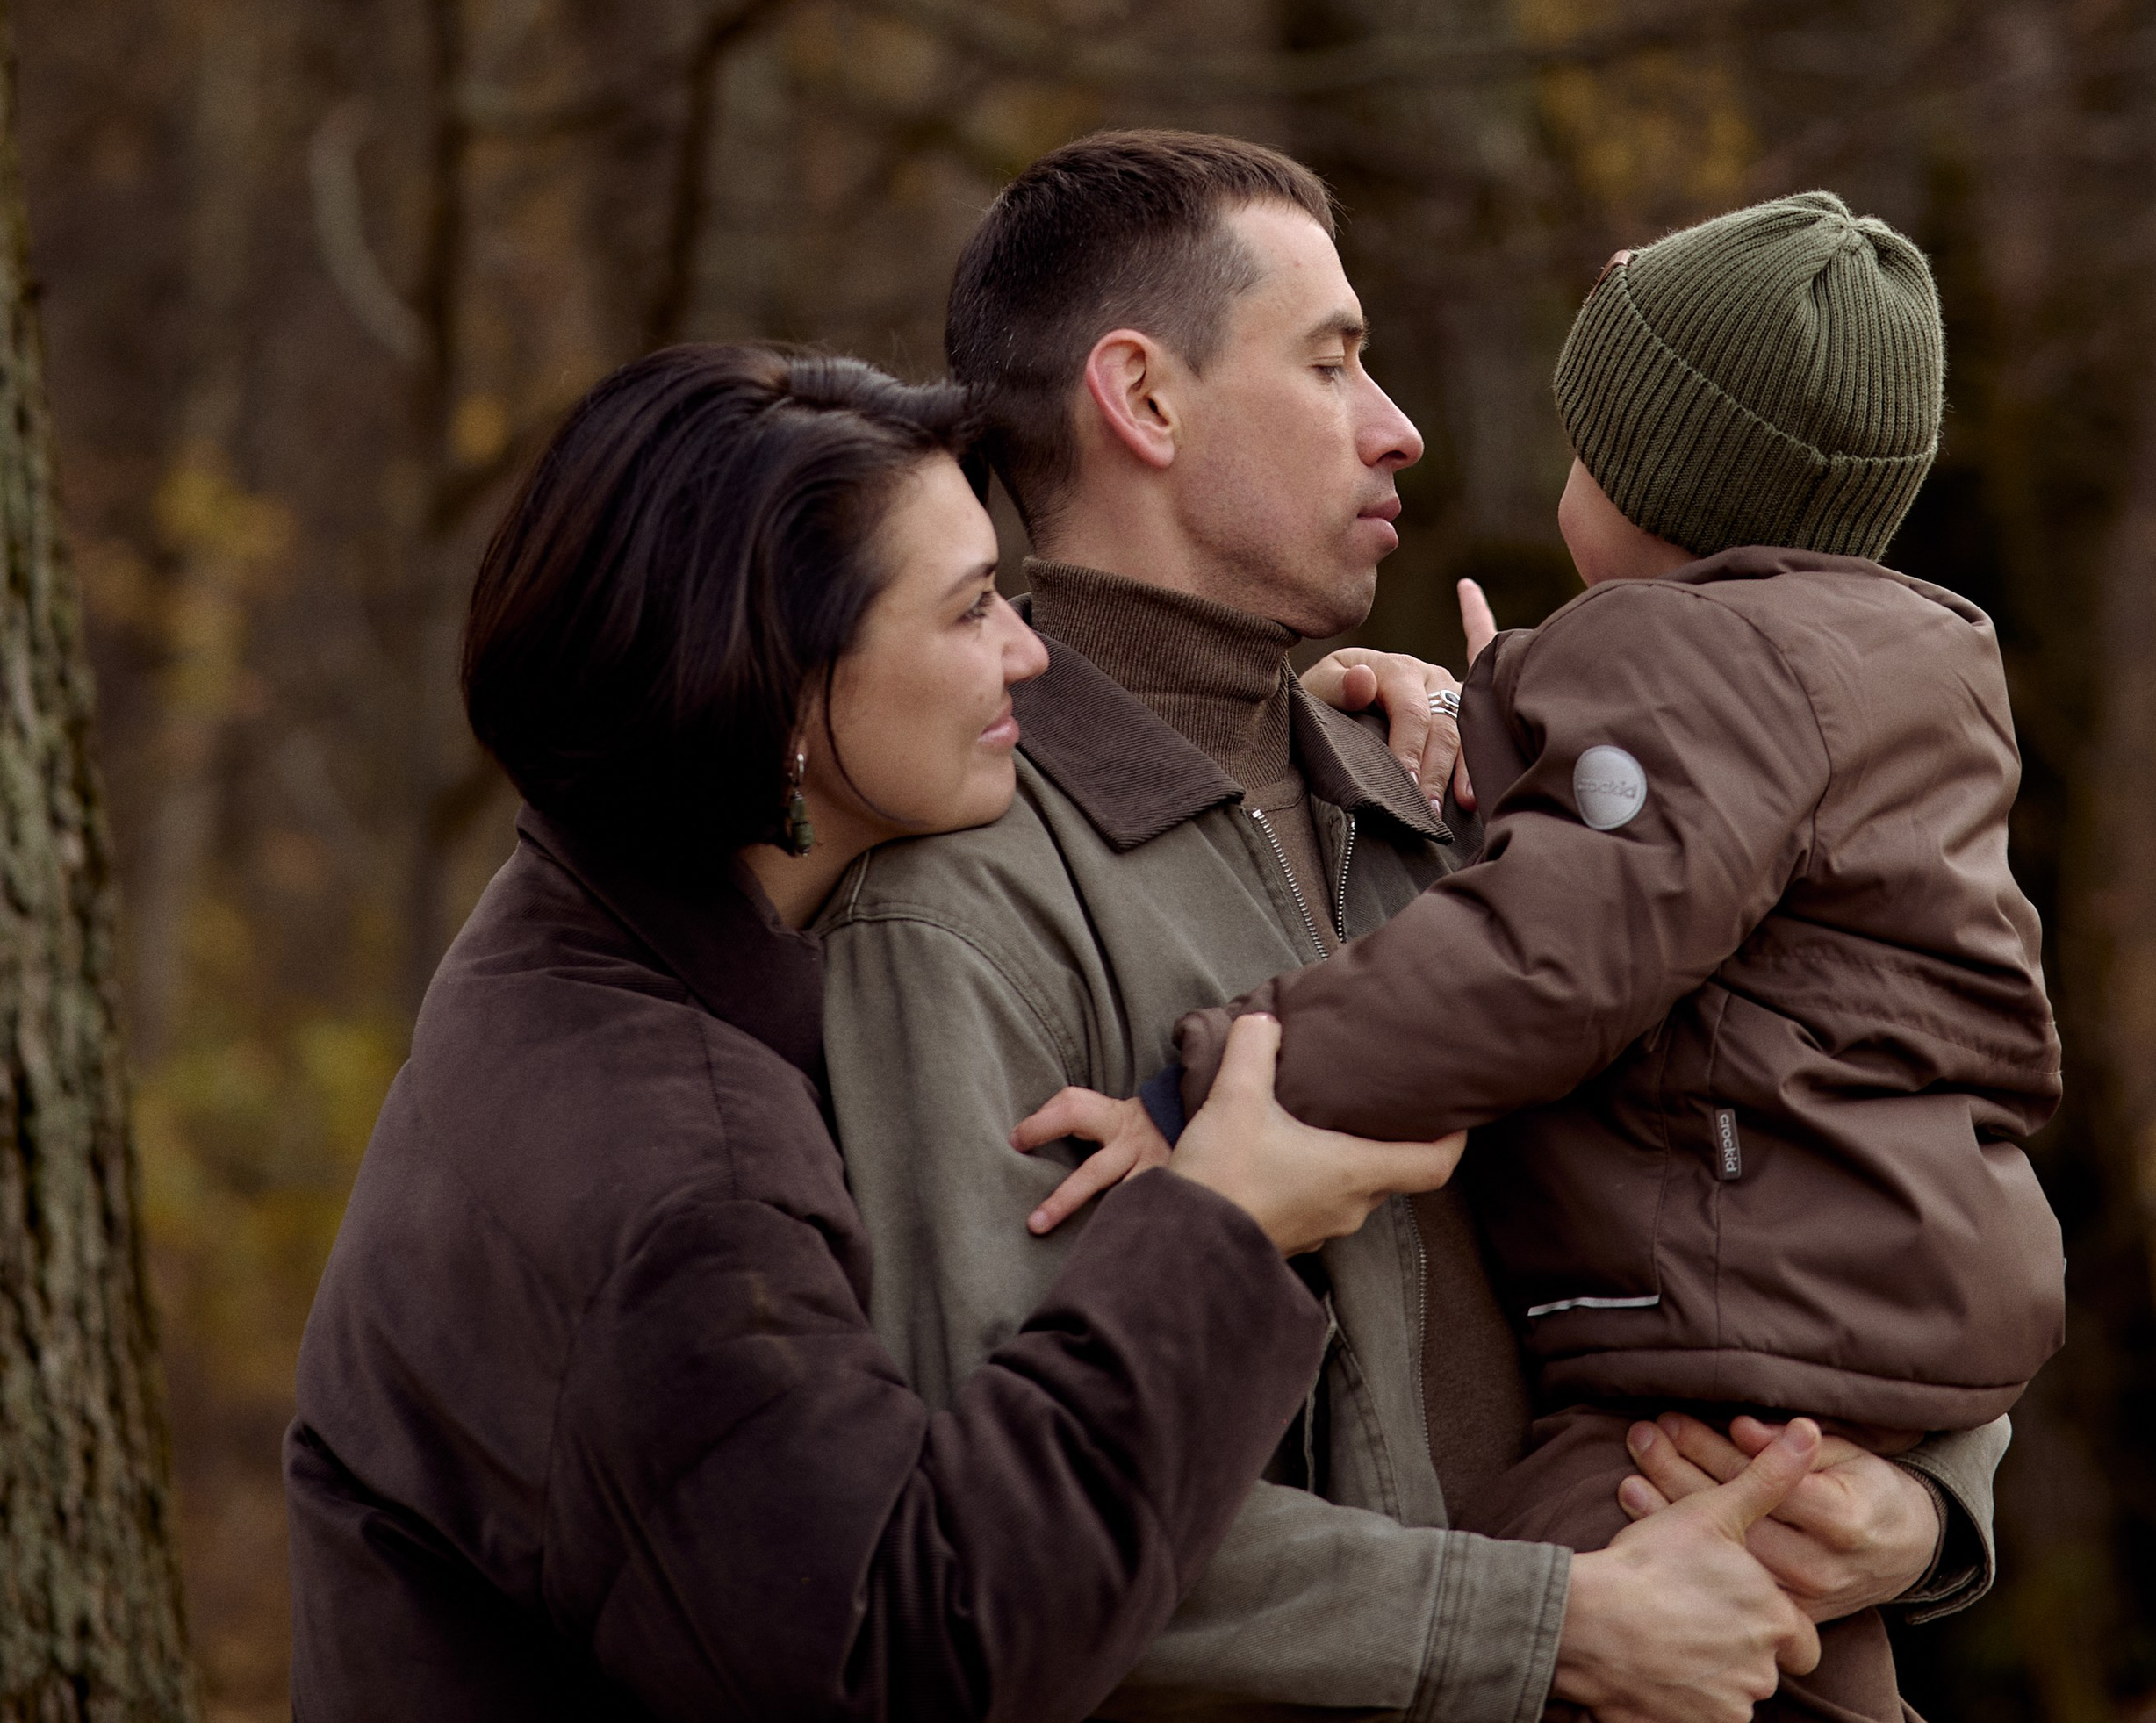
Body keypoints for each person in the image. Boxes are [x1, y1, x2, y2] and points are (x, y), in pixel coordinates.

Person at [814, 133, 2007, 1723]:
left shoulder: (1456, 808)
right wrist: (1549, 1622)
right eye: (1334, 363)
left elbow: (1842, 1154)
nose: (1404, 427)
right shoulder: (960, 910)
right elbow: (993, 1540)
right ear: (1143, 398)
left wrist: (1925, 1508)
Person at [284, 342, 1478, 1723]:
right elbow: (909, 1653)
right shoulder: (679, 1180)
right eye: (972, 610)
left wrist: (1315, 736)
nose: (1029, 651)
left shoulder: (575, 938)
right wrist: (1216, 1227)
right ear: (781, 684)